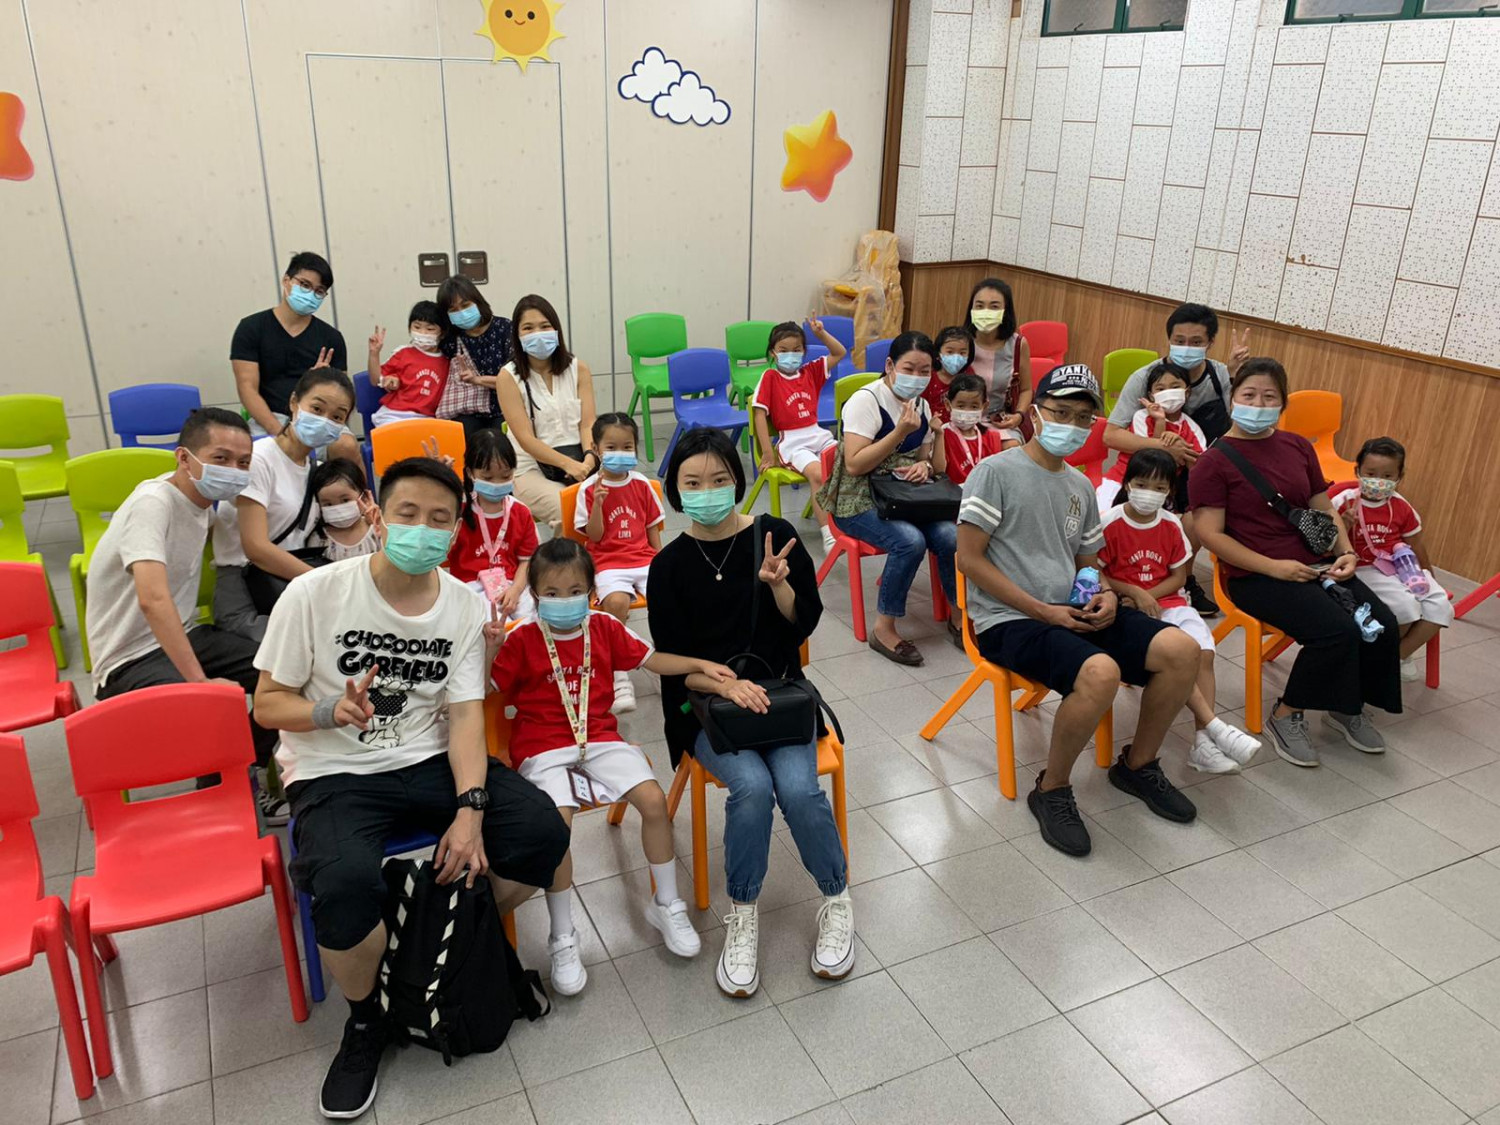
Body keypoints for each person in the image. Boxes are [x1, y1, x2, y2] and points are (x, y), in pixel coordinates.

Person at [253, 457, 571, 1122]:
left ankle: (422, 935)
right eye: (408, 513)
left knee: (542, 832)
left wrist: (470, 809)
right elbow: (267, 703)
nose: (422, 529)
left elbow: (465, 719)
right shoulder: (313, 594)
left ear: (455, 529)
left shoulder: (463, 605)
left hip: (427, 759)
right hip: (334, 768)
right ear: (377, 513)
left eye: (438, 519)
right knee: (343, 887)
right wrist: (328, 711)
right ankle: (366, 1020)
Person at [956, 364, 1202, 858]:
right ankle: (1051, 788)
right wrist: (1042, 611)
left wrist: (1107, 594)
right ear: (1036, 414)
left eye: (1083, 417)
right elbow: (969, 560)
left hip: (1072, 608)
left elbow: (1088, 562)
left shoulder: (1079, 487)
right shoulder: (995, 472)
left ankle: (1137, 765)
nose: (1070, 424)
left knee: (1181, 649)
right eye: (1060, 412)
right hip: (1008, 619)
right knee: (1100, 672)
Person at [647, 428, 854, 998]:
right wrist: (723, 682)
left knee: (800, 788)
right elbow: (669, 662)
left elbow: (803, 623)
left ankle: (836, 898)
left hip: (780, 697)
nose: (707, 491)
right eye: (693, 483)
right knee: (753, 788)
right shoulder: (668, 565)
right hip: (706, 705)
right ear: (675, 490)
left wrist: (780, 587)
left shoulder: (774, 536)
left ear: (737, 482)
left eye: (719, 479)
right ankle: (743, 913)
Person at [489, 538, 734, 995]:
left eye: (575, 591)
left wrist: (698, 662)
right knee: (557, 825)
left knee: (654, 801)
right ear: (536, 595)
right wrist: (490, 647)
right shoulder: (522, 637)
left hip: (601, 739)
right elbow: (488, 686)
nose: (565, 601)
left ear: (592, 591)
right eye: (552, 593)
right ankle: (563, 935)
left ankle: (667, 903)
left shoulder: (603, 626)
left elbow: (651, 659)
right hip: (543, 748)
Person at [1192, 358, 1402, 768]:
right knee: (1337, 630)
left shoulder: (1297, 446)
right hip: (1254, 575)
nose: (1259, 404)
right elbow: (1211, 535)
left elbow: (1323, 506)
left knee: (1382, 623)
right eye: (1249, 394)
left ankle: (1347, 705)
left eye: (1269, 396)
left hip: (1314, 564)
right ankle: (1286, 713)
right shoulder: (1213, 462)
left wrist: (1346, 552)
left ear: (1283, 403)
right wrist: (1274, 567)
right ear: (1233, 398)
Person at [86, 407, 286, 819]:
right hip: (127, 659)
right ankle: (219, 803)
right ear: (183, 457)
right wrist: (200, 682)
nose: (233, 470)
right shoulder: (152, 504)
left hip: (183, 632)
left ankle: (240, 771)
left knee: (283, 671)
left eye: (243, 462)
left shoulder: (203, 503)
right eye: (220, 458)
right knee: (210, 706)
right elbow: (152, 599)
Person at [1099, 449, 1261, 773]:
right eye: (1141, 484)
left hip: (1169, 602)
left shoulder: (1171, 524)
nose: (1149, 493)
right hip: (1127, 607)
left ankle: (1204, 742)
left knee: (1204, 654)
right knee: (1177, 656)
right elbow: (1099, 572)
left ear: (1170, 491)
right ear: (1128, 483)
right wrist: (1134, 594)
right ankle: (1214, 727)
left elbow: (1178, 577)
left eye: (1159, 488)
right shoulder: (1110, 523)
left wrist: (1149, 595)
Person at [817, 331, 959, 665]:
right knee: (909, 541)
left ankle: (958, 615)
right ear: (890, 365)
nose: (917, 377)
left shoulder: (922, 404)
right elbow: (854, 465)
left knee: (951, 535)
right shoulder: (866, 401)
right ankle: (884, 629)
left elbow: (928, 461)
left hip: (904, 495)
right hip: (857, 498)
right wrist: (899, 432)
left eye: (924, 371)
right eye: (909, 369)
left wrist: (924, 465)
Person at [1104, 303, 1253, 616]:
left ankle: (1182, 578)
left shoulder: (1221, 375)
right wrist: (1162, 447)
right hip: (1151, 470)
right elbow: (1111, 435)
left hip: (1198, 469)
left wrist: (1236, 374)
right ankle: (1125, 577)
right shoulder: (1144, 377)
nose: (1187, 347)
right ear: (1168, 339)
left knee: (1202, 518)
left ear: (1210, 342)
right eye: (1179, 340)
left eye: (1196, 342)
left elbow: (1237, 423)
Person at [212, 367, 356, 643]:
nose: (325, 421)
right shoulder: (258, 460)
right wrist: (324, 582)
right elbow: (256, 548)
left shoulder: (317, 469)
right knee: (313, 647)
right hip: (247, 594)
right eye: (317, 409)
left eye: (337, 417)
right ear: (293, 402)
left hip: (291, 586)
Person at [1330, 437, 1452, 682]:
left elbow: (1416, 545)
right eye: (1371, 473)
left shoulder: (1402, 506)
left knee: (1441, 607)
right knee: (1406, 608)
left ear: (1399, 476)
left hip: (1403, 567)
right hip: (1363, 568)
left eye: (1387, 476)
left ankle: (1393, 659)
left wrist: (1428, 576)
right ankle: (1381, 663)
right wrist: (1343, 524)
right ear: (1358, 471)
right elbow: (1324, 545)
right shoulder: (1343, 501)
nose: (1378, 481)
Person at [230, 251, 360, 464]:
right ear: (287, 281)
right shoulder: (251, 328)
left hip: (318, 417)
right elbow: (247, 388)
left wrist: (321, 382)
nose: (311, 294)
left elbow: (342, 396)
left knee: (346, 445)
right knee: (247, 454)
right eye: (305, 285)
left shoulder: (331, 337)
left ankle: (356, 488)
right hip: (269, 417)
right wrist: (280, 432)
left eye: (319, 291)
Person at [575, 413, 664, 714]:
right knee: (615, 603)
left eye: (627, 447)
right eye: (611, 447)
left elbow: (652, 530)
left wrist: (663, 564)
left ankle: (662, 659)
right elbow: (595, 537)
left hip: (643, 558)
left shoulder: (642, 484)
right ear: (596, 448)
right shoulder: (589, 488)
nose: (620, 453)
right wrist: (599, 504)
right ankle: (619, 674)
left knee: (666, 597)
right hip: (607, 562)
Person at [494, 293, 600, 531]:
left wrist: (589, 458)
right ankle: (566, 556)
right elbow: (525, 439)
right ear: (517, 335)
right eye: (528, 328)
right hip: (529, 468)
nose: (538, 334)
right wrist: (568, 465)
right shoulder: (507, 377)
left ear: (556, 330)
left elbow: (587, 424)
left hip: (580, 459)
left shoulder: (579, 368)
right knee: (571, 510)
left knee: (613, 503)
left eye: (544, 326)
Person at [751, 319, 845, 551]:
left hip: (819, 435)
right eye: (783, 350)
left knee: (850, 463)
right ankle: (828, 534)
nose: (790, 355)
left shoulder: (811, 372)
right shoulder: (770, 377)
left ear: (804, 351)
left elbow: (839, 352)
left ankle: (847, 523)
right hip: (793, 443)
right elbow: (759, 414)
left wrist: (820, 334)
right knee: (818, 474)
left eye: (796, 349)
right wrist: (767, 453)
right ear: (773, 353)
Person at [446, 428, 539, 625]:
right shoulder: (459, 511)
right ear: (470, 473)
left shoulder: (520, 512)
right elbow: (442, 555)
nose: (497, 484)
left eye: (505, 476)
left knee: (536, 620)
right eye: (488, 478)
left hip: (513, 584)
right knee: (493, 623)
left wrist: (516, 590)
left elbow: (526, 561)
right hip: (471, 588)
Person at [1096, 361, 1206, 513]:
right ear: (1151, 396)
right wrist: (1160, 423)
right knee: (1104, 519)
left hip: (1161, 492)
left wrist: (1182, 450)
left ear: (1187, 392)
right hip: (1121, 480)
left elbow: (1197, 466)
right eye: (1160, 389)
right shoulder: (1142, 417)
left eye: (1175, 387)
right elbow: (1151, 458)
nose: (1169, 392)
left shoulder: (1193, 428)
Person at [436, 276, 512, 438]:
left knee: (497, 442)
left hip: (505, 407)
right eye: (453, 310)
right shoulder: (450, 340)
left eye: (465, 305)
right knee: (462, 436)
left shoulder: (504, 329)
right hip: (467, 410)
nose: (461, 313)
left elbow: (516, 380)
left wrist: (477, 380)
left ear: (478, 302)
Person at [963, 278, 1032, 430]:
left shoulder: (1018, 344)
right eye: (979, 306)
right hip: (961, 419)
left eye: (994, 307)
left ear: (1005, 311)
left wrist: (1018, 416)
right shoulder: (959, 342)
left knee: (1012, 444)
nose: (985, 312)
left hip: (1000, 421)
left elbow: (1026, 390)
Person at [368, 301, 449, 426]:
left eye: (430, 329)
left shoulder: (447, 362)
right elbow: (375, 380)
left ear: (442, 333)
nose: (422, 333)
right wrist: (374, 354)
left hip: (427, 419)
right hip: (394, 415)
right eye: (417, 327)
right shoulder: (403, 353)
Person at [310, 458, 380, 563]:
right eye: (328, 504)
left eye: (345, 500)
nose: (337, 508)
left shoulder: (376, 530)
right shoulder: (319, 540)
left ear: (364, 497)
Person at [943, 374, 1006, 486]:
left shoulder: (992, 437)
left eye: (974, 407)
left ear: (984, 406)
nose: (967, 411)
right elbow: (939, 471)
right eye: (961, 406)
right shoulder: (942, 434)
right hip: (953, 494)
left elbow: (996, 473)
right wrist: (938, 435)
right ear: (948, 404)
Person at [922, 326, 975, 426]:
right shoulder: (929, 376)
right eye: (950, 352)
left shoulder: (969, 374)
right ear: (938, 353)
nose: (956, 357)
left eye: (962, 353)